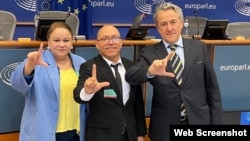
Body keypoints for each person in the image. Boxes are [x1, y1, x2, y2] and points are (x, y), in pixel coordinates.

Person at [125, 2, 222, 141]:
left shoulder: (199, 48)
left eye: (173, 22)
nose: (169, 28)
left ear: (181, 23)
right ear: (158, 28)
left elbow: (213, 89)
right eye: (163, 24)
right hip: (165, 128)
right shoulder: (150, 52)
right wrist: (150, 71)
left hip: (199, 120)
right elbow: (131, 76)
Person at [10, 22, 87, 141]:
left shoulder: (80, 62)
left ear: (72, 42)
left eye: (66, 40)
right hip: (44, 133)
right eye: (56, 40)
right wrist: (29, 65)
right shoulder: (37, 61)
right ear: (48, 41)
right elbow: (18, 85)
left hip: (75, 133)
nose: (61, 44)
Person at [73, 25, 147, 141]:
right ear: (97, 45)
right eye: (105, 39)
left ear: (121, 42)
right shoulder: (89, 67)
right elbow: (78, 95)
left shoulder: (132, 67)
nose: (110, 42)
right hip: (102, 136)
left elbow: (137, 103)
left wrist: (140, 134)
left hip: (130, 135)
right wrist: (87, 91)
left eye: (115, 38)